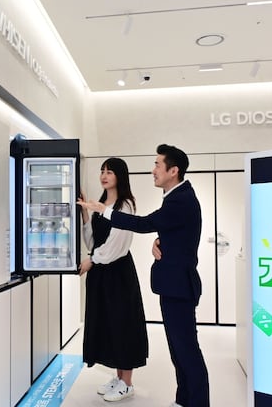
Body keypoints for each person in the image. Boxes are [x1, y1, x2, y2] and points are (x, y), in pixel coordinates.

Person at [78, 144, 210, 407]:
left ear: (173, 170)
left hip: (179, 287)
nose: (153, 170)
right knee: (178, 350)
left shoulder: (181, 199)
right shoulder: (175, 197)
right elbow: (172, 232)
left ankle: (196, 402)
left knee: (186, 351)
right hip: (172, 286)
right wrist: (160, 242)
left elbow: (144, 224)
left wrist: (102, 210)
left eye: (157, 165)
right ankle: (184, 399)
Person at [78, 157, 148, 402]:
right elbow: (92, 241)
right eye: (102, 171)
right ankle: (119, 378)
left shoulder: (125, 205)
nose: (104, 176)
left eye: (109, 171)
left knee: (122, 324)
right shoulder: (101, 204)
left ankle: (127, 383)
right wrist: (85, 212)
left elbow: (116, 245)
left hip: (118, 274)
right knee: (108, 324)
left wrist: (92, 260)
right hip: (101, 272)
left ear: (120, 176)